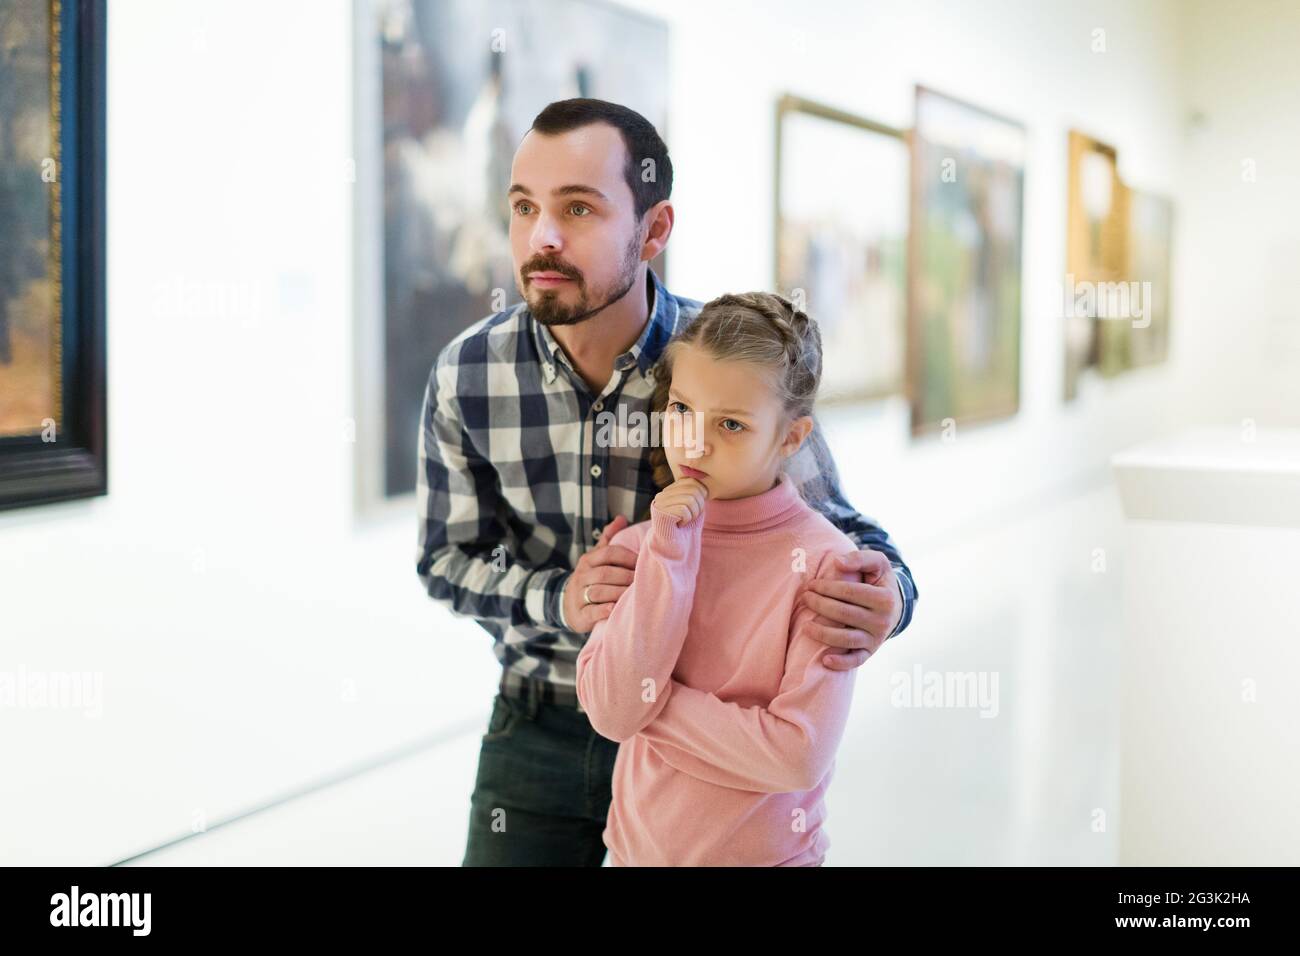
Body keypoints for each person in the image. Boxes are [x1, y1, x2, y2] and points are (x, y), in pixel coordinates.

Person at [415, 98, 918, 866]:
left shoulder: (723, 364)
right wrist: (561, 597)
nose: (541, 236)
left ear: (653, 231)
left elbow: (850, 538)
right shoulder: (466, 375)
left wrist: (890, 599)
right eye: (524, 207)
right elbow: (446, 562)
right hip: (537, 726)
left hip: (712, 752)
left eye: (578, 208)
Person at [576, 291, 860, 866]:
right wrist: (669, 552)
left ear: (790, 438)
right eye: (681, 410)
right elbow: (610, 713)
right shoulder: (639, 547)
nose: (694, 444)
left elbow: (798, 755)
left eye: (731, 424)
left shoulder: (825, 564)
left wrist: (650, 706)